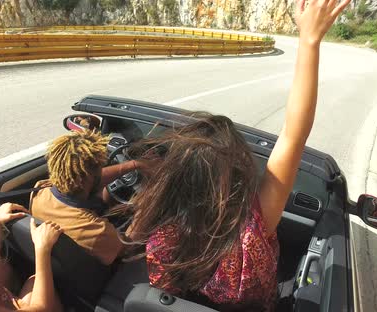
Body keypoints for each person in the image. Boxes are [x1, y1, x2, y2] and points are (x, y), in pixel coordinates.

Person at [124, 0, 352, 311]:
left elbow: (164, 291)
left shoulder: (161, 239)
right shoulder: (253, 227)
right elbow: (293, 135)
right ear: (237, 174)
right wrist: (309, 40)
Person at [29, 129, 148, 266]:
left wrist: (133, 165)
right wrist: (146, 205)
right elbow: (127, 247)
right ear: (89, 178)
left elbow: (90, 179)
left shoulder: (40, 190)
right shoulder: (95, 230)